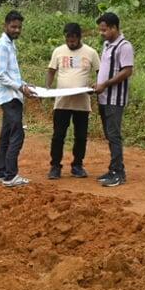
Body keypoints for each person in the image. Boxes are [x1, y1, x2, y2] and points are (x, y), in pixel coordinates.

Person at [45, 22, 99, 179]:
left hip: (82, 103)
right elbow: (51, 71)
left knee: (81, 136)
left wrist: (97, 84)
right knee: (58, 135)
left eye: (74, 40)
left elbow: (100, 71)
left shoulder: (91, 52)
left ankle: (77, 165)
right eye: (68, 39)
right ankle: (55, 166)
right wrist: (47, 88)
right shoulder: (58, 51)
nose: (71, 42)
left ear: (79, 37)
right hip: (62, 102)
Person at [0, 10, 35, 186]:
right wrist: (20, 87)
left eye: (19, 27)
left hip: (12, 95)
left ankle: (1, 173)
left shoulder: (9, 45)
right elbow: (1, 75)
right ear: (5, 26)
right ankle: (10, 176)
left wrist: (24, 84)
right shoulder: (2, 46)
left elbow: (10, 74)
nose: (16, 30)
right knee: (17, 134)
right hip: (9, 97)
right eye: (13, 26)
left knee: (6, 135)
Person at [91, 11, 134, 187]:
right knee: (109, 135)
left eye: (104, 30)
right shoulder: (108, 45)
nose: (102, 33)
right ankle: (114, 168)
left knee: (114, 135)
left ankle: (118, 173)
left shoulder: (124, 46)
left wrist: (105, 84)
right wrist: (97, 85)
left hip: (114, 99)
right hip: (104, 98)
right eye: (100, 30)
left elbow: (127, 71)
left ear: (114, 28)